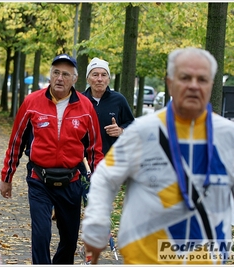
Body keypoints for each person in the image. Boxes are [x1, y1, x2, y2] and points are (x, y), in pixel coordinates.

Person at [81, 47, 234, 264]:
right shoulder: (143, 132)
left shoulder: (231, 137)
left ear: (212, 84)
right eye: (185, 77)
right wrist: (96, 231)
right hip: (148, 256)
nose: (193, 85)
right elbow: (104, 181)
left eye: (202, 79)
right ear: (170, 82)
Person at [0, 54, 104, 264]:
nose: (59, 78)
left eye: (65, 74)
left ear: (75, 79)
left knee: (69, 240)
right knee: (41, 235)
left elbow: (94, 150)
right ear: (50, 75)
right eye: (55, 72)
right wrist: (7, 176)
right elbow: (16, 142)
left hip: (71, 181)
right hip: (40, 180)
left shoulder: (86, 107)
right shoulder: (32, 102)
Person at [79, 58, 135, 263]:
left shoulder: (118, 100)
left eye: (103, 75)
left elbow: (133, 127)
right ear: (88, 78)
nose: (99, 79)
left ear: (109, 78)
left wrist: (121, 130)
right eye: (95, 74)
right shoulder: (78, 100)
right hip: (82, 163)